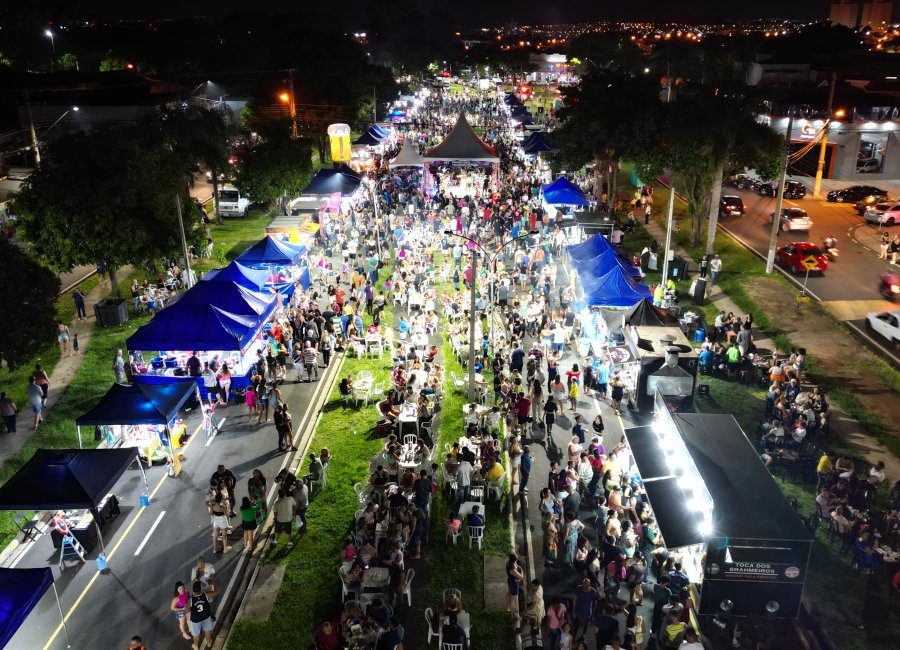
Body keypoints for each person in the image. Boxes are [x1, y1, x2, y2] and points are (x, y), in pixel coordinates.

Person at [187, 579, 217, 650]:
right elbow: (216, 592)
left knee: (196, 634)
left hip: (196, 619)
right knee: (207, 630)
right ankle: (209, 643)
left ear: (193, 590)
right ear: (200, 589)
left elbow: (186, 609)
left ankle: (196, 646)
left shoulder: (191, 599)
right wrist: (213, 583)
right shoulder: (206, 595)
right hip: (206, 616)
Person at [506, 553, 524, 618]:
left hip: (510, 581)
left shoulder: (509, 562)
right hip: (514, 584)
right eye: (516, 557)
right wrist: (521, 570)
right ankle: (514, 614)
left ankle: (508, 608)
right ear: (514, 560)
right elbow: (521, 577)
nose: (518, 557)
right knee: (513, 600)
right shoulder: (512, 570)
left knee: (509, 594)